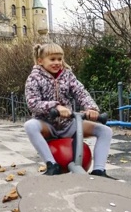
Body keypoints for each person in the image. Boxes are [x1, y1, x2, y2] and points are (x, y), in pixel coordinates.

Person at [24, 43, 113, 177]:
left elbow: (80, 92)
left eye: (60, 59)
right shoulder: (34, 78)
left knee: (105, 130)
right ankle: (52, 164)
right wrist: (55, 107)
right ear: (40, 61)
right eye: (52, 59)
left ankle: (99, 170)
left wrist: (91, 108)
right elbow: (33, 103)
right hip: (47, 124)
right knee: (30, 125)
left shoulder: (67, 75)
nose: (57, 63)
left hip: (68, 124)